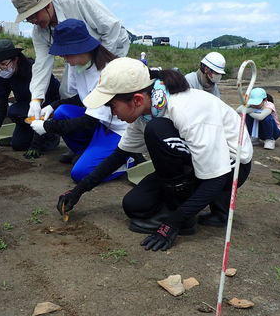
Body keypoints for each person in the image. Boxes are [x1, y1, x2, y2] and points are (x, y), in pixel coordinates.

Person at [56, 57, 253, 252]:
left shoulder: (185, 110)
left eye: (112, 106)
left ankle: (185, 216)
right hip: (197, 163)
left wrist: (172, 224)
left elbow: (216, 179)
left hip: (231, 169)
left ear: (137, 99)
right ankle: (192, 205)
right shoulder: (146, 113)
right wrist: (78, 191)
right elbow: (119, 155)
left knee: (157, 130)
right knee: (135, 205)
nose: (112, 114)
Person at [11, 0, 130, 120]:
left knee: (105, 90)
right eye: (28, 19)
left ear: (47, 5)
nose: (33, 21)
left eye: (34, 15)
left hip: (110, 47)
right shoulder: (39, 32)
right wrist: (36, 99)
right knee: (66, 92)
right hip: (78, 57)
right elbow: (42, 64)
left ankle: (106, 124)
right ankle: (80, 126)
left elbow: (111, 28)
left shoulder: (78, 0)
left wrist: (103, 67)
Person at [29, 19, 131, 181]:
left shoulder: (106, 71)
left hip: (117, 130)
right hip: (101, 123)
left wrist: (48, 126)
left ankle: (128, 160)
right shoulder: (78, 66)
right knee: (62, 111)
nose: (63, 57)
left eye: (66, 53)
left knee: (80, 174)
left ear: (82, 48)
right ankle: (84, 152)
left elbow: (88, 122)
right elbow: (83, 98)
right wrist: (53, 106)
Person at [0, 39, 60, 158]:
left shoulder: (35, 70)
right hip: (27, 112)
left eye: (3, 63)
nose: (0, 69)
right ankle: (31, 131)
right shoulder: (3, 76)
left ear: (16, 58)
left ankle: (51, 135)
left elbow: (46, 103)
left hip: (49, 110)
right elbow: (1, 107)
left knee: (16, 111)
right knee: (18, 145)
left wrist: (35, 145)